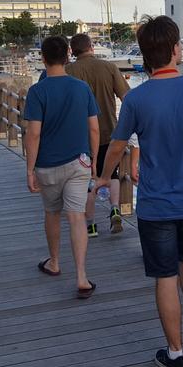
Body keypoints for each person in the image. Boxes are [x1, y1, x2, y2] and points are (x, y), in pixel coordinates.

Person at [97, 16, 183, 367]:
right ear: (175, 50)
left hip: (156, 205)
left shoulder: (137, 99)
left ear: (144, 55)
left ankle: (174, 352)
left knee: (165, 276)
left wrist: (102, 178)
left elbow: (117, 146)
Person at [23, 36, 99, 298]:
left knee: (52, 212)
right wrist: (94, 160)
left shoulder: (38, 91)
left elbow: (33, 134)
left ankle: (54, 262)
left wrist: (29, 169)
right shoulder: (81, 88)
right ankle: (81, 276)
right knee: (77, 216)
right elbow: (94, 128)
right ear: (68, 56)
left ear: (43, 58)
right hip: (79, 162)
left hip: (47, 165)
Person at [66, 33, 130, 237]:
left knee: (87, 179)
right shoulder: (109, 67)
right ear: (91, 47)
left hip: (79, 136)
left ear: (72, 51)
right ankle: (114, 208)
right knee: (111, 174)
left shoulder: (68, 71)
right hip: (109, 131)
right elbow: (126, 97)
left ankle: (91, 225)